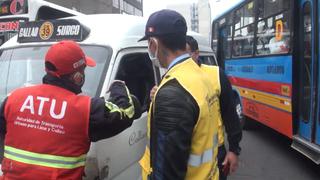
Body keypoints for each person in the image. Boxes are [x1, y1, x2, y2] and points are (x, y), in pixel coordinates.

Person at [0, 40, 141, 179]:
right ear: (77, 77)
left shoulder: (13, 99)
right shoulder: (85, 109)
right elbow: (126, 111)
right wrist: (118, 86)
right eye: (83, 70)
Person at [139, 10, 219, 180]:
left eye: (148, 43)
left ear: (154, 43)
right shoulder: (200, 75)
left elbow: (167, 173)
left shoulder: (172, 93)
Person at [186, 35, 242, 180]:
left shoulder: (216, 75)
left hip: (216, 154)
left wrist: (234, 150)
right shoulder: (172, 78)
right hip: (183, 156)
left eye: (187, 55)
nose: (183, 60)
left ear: (196, 53)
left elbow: (230, 115)